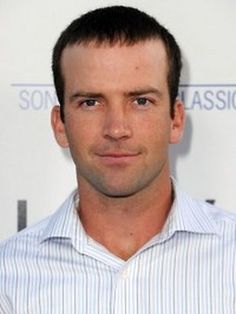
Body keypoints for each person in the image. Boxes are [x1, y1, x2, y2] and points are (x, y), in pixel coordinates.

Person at [0, 5, 235, 314]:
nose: (116, 129)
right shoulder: (8, 277)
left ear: (176, 120)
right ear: (60, 125)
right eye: (90, 102)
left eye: (140, 101)